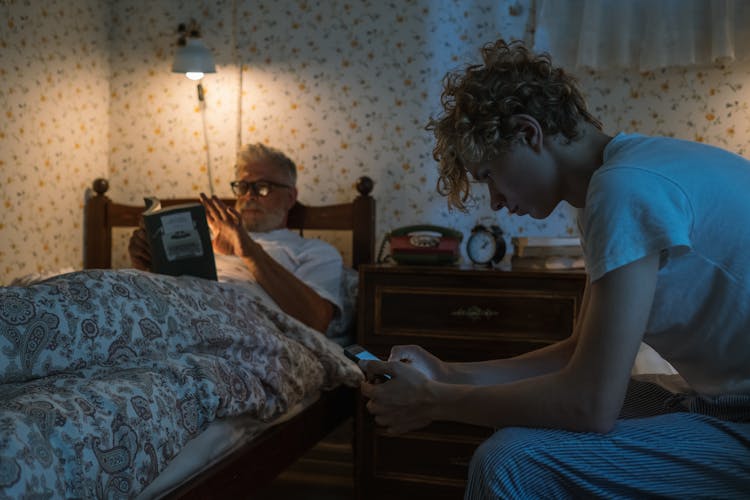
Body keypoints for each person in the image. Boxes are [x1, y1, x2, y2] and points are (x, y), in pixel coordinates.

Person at [358, 39, 750, 498]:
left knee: (509, 460)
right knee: (629, 391)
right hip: (724, 400)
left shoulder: (624, 190)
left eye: (489, 176)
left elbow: (589, 405)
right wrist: (448, 373)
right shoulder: (625, 176)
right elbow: (578, 352)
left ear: (529, 133)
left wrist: (434, 400)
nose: (497, 201)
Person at [128, 143, 345, 335]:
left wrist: (249, 250)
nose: (249, 196)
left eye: (262, 187)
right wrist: (146, 265)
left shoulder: (314, 251)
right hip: (169, 316)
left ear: (290, 197)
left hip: (240, 328)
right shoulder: (205, 238)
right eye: (243, 187)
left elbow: (317, 321)